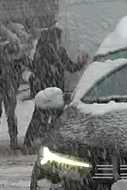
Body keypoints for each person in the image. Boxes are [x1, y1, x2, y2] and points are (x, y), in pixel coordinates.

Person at [23, 24, 88, 152]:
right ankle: (40, 140)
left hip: (49, 89)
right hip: (49, 89)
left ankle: (34, 140)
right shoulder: (50, 50)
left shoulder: (47, 51)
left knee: (44, 115)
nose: (60, 40)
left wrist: (80, 63)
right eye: (59, 38)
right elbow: (66, 67)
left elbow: (67, 67)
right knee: (49, 115)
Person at [0, 23, 30, 149]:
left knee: (9, 113)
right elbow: (2, 49)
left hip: (7, 84)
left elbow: (24, 59)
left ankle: (12, 137)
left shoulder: (12, 54)